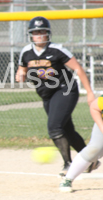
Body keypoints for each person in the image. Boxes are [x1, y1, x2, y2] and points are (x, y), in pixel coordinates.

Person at [15, 16, 96, 176]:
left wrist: (90, 93)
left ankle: (68, 164)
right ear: (30, 35)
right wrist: (20, 76)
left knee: (54, 128)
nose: (39, 35)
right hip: (46, 95)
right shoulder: (26, 52)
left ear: (48, 33)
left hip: (65, 89)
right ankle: (91, 160)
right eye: (35, 32)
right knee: (67, 130)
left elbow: (78, 69)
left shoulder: (57, 50)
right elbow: (22, 70)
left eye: (42, 31)